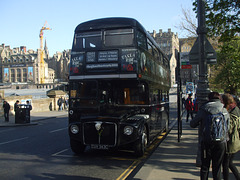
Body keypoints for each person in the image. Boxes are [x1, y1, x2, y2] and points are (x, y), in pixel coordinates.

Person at [190, 92, 230, 180]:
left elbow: (192, 124)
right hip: (221, 143)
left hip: (206, 142)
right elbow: (228, 127)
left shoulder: (204, 109)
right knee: (217, 168)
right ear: (219, 99)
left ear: (209, 99)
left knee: (205, 167)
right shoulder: (224, 110)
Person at [222, 93, 240, 180]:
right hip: (235, 140)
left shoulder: (232, 113)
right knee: (228, 162)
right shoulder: (236, 109)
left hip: (231, 141)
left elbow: (229, 129)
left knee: (227, 163)